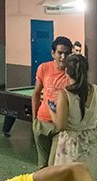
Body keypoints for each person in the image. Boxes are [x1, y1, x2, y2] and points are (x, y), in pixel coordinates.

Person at [31, 36, 72, 169]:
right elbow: (36, 93)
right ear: (53, 53)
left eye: (67, 53)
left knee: (54, 166)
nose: (63, 57)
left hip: (60, 126)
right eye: (60, 53)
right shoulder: (44, 68)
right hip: (42, 122)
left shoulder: (73, 72)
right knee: (42, 166)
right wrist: (34, 120)